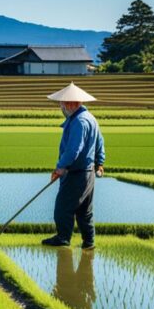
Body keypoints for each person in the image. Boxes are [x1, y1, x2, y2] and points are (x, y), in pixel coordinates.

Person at [42, 83, 105, 249]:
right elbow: (100, 143)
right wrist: (100, 163)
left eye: (62, 104)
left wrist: (59, 168)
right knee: (84, 211)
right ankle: (88, 242)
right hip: (88, 173)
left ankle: (63, 237)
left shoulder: (79, 122)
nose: (61, 107)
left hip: (76, 173)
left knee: (63, 208)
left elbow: (72, 151)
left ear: (70, 103)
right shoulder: (91, 118)